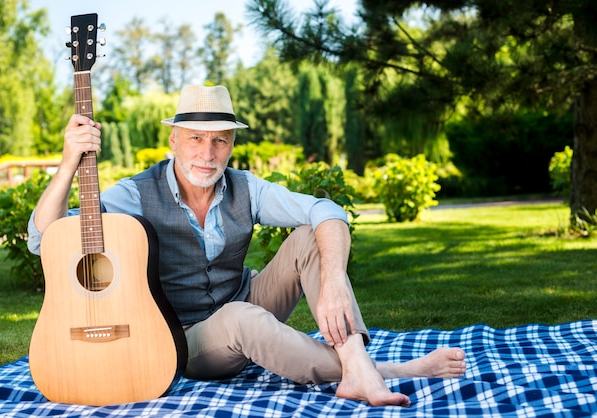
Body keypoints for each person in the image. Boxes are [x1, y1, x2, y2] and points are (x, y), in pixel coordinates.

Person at [27, 84, 466, 407]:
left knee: (310, 233)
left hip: (249, 301)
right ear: (173, 141)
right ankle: (385, 370)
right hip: (181, 339)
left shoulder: (245, 187)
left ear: (232, 144)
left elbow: (326, 211)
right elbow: (45, 239)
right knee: (239, 318)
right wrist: (69, 164)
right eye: (196, 139)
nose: (208, 153)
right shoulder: (136, 193)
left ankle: (355, 365)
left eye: (220, 139)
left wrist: (333, 279)